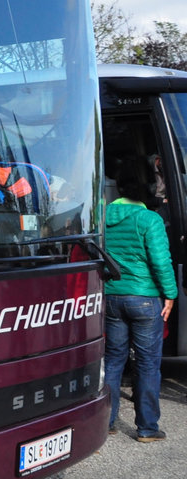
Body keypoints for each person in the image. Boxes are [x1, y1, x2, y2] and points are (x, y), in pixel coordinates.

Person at [104, 169, 178, 442]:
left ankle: (106, 422)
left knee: (113, 361)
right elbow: (161, 262)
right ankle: (147, 428)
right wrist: (170, 294)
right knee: (147, 364)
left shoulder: (103, 217)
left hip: (112, 297)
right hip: (145, 299)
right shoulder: (150, 219)